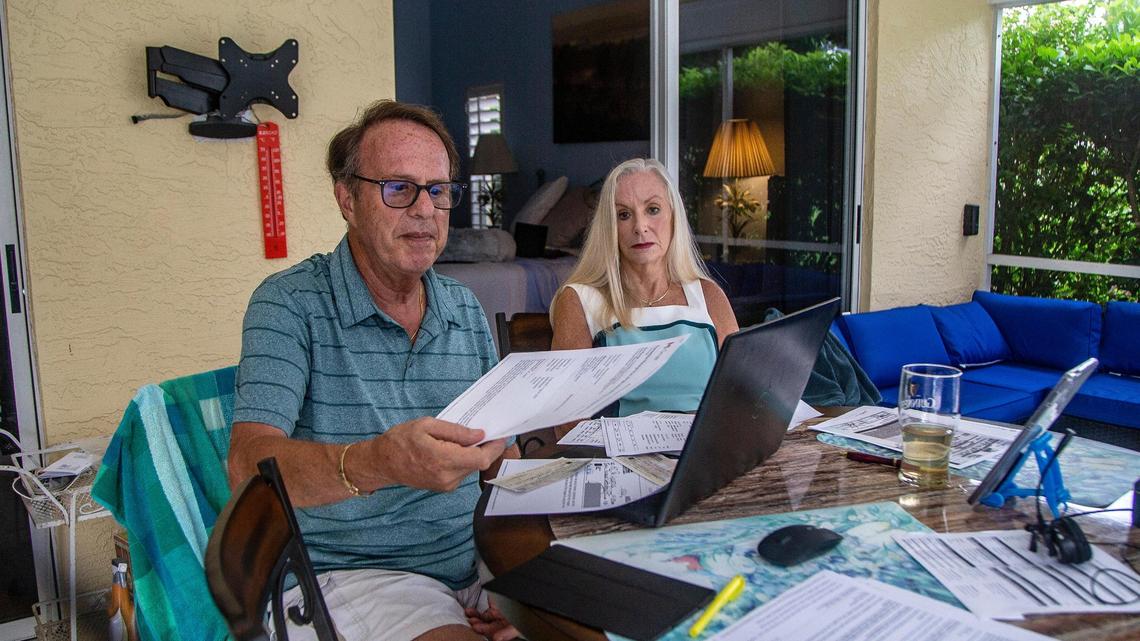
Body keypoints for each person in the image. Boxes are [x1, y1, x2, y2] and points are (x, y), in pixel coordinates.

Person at [228, 100, 519, 641]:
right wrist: (378, 462)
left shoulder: (463, 306)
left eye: (438, 190)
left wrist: (516, 583)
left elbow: (502, 462)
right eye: (398, 188)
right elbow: (247, 464)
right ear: (347, 199)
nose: (425, 210)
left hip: (472, 564)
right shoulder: (290, 304)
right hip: (352, 574)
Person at [550, 158, 739, 417]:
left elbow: (740, 394)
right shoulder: (579, 300)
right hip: (615, 444)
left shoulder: (708, 295)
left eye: (653, 209)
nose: (640, 227)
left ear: (674, 217)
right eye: (623, 215)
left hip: (705, 442)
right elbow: (566, 420)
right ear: (609, 227)